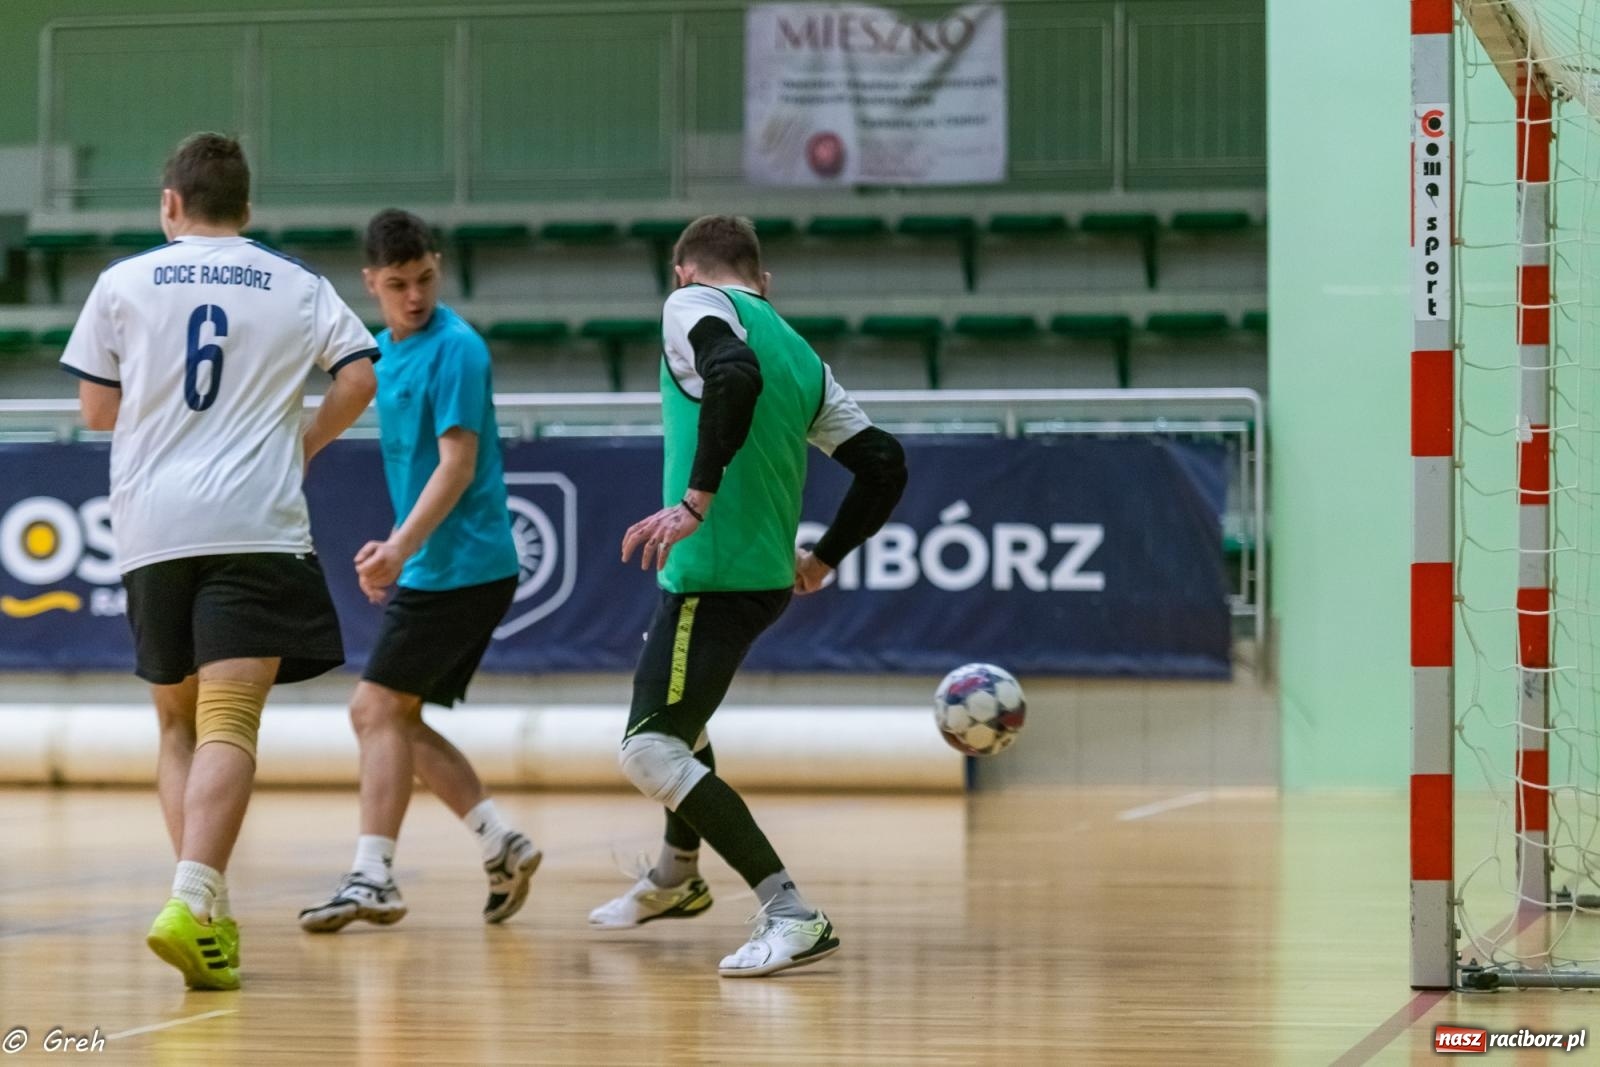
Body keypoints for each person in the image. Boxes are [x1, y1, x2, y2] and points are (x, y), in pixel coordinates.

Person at [60, 132, 378, 990]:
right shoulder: (295, 283)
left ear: (170, 204)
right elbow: (359, 377)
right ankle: (193, 898)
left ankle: (208, 909)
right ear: (247, 208)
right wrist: (301, 440)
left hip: (152, 528)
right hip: (253, 521)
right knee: (232, 722)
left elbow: (96, 409)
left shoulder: (121, 283)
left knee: (176, 722)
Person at [588, 215, 909, 977]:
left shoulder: (692, 306)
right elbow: (885, 464)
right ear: (765, 280)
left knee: (649, 746)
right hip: (759, 578)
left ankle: (792, 911)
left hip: (714, 574)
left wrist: (695, 501)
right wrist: (825, 556)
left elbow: (732, 372)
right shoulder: (800, 351)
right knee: (680, 719)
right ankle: (675, 874)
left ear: (682, 272)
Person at [298, 210, 540, 935]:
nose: (414, 296)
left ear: (438, 266)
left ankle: (373, 874)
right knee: (395, 717)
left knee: (373, 710)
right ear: (371, 282)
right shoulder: (380, 352)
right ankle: (502, 841)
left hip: (465, 564)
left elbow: (457, 465)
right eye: (397, 284)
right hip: (439, 564)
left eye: (425, 279)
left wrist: (400, 547)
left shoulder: (458, 348)